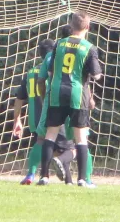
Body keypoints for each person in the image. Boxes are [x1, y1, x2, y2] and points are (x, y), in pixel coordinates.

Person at [37, 12, 102, 186]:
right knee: (81, 138)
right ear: (87, 27)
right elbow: (96, 76)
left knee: (50, 134)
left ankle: (44, 177)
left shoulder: (58, 44)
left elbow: (50, 72)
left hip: (57, 92)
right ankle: (82, 179)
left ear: (71, 26)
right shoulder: (89, 47)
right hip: (77, 94)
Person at [13, 39, 55, 184]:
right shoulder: (55, 70)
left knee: (40, 141)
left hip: (35, 117)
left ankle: (31, 174)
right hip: (53, 113)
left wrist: (17, 120)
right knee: (77, 141)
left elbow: (19, 98)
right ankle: (83, 179)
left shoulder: (30, 72)